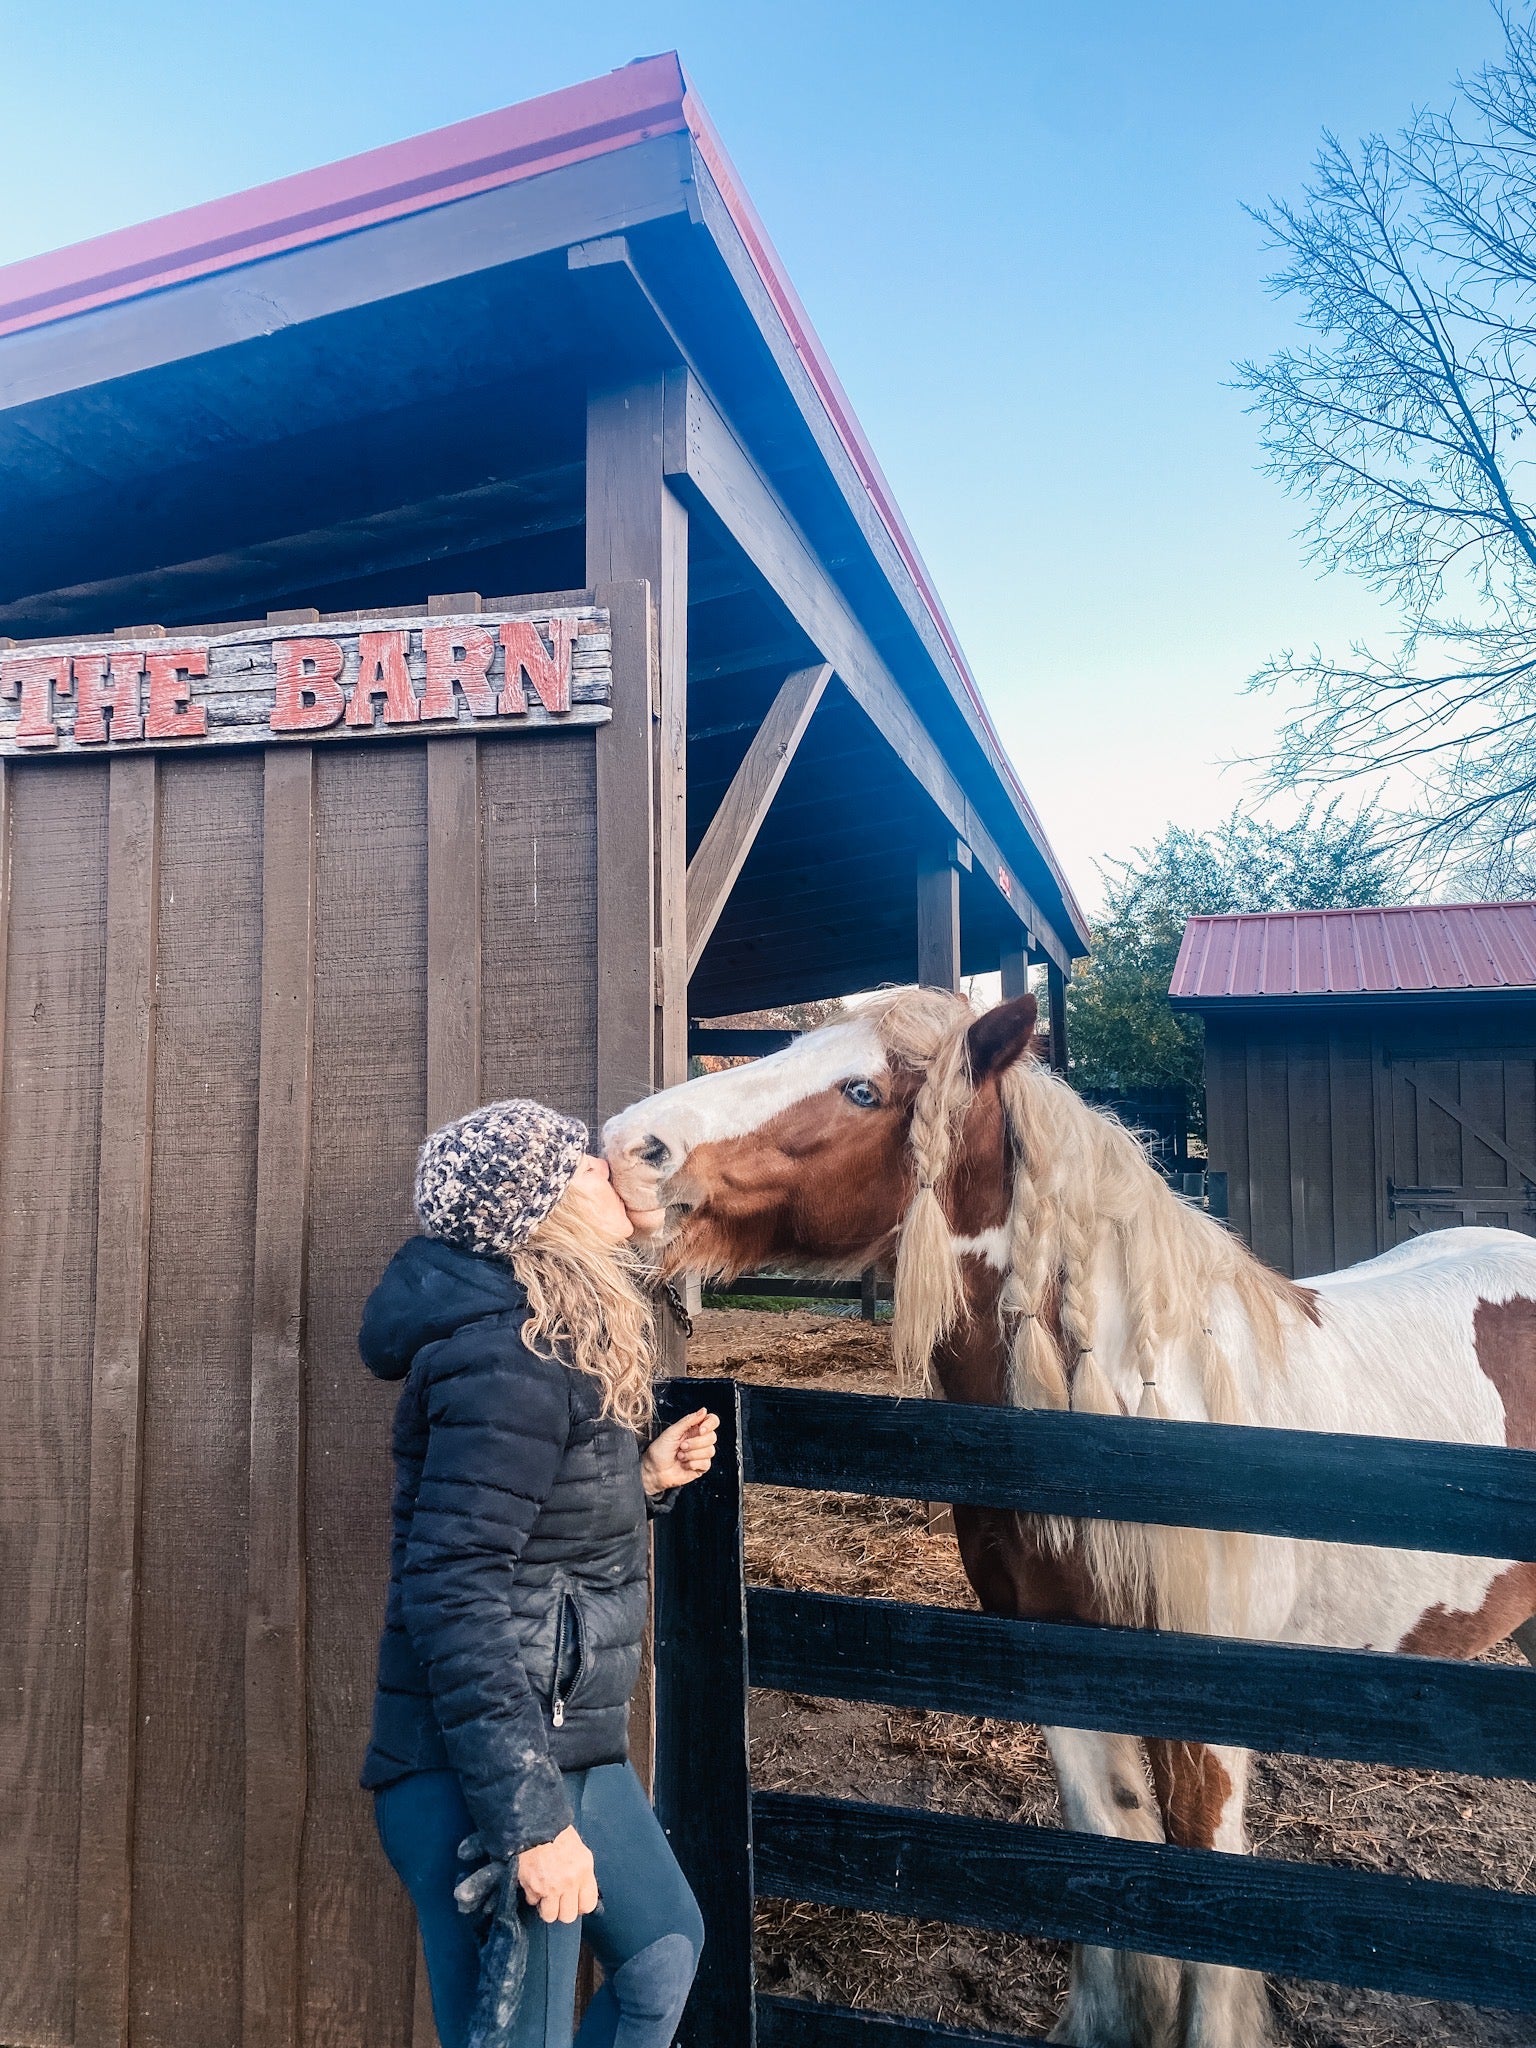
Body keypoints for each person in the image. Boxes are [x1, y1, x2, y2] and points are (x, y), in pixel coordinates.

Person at [358, 1098, 718, 2048]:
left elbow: (523, 1532)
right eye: (585, 1168)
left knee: (661, 1950)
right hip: (485, 1771)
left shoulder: (553, 1338)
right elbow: (455, 1590)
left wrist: (640, 1479)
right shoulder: (505, 1359)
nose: (609, 1172)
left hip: (564, 1744)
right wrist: (528, 1823)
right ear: (541, 1211)